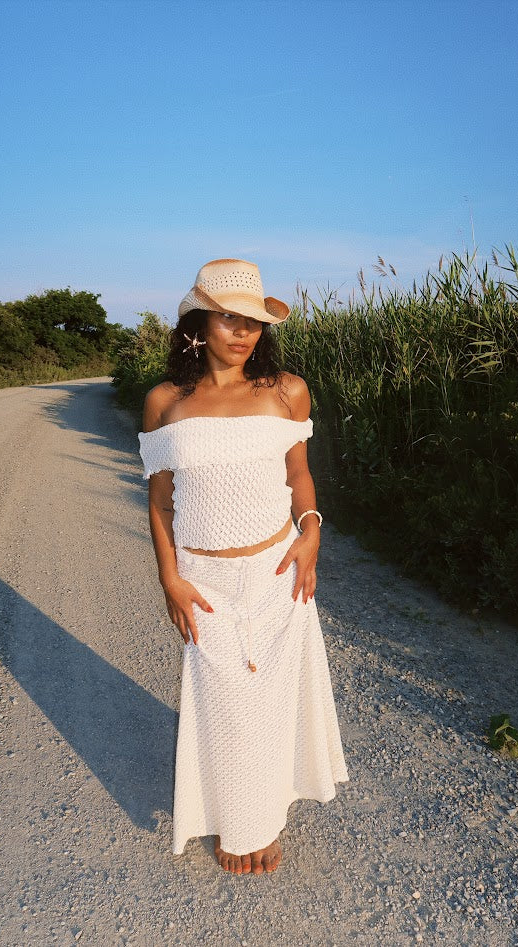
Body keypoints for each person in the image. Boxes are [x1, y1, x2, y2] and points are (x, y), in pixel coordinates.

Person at [138, 259, 348, 875]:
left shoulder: (287, 390)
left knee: (274, 702)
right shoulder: (164, 401)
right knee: (224, 701)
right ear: (200, 322)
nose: (243, 332)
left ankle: (263, 819)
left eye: (252, 322)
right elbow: (159, 501)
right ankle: (238, 821)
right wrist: (169, 577)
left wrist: (311, 533)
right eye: (229, 317)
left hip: (278, 570)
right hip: (204, 580)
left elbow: (299, 474)